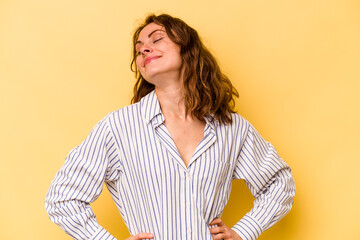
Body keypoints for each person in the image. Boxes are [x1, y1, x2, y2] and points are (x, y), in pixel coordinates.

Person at [45, 13, 295, 240]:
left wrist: (244, 231)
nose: (144, 50)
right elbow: (62, 198)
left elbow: (279, 182)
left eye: (156, 40)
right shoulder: (118, 128)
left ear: (187, 49)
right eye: (139, 49)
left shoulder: (230, 127)